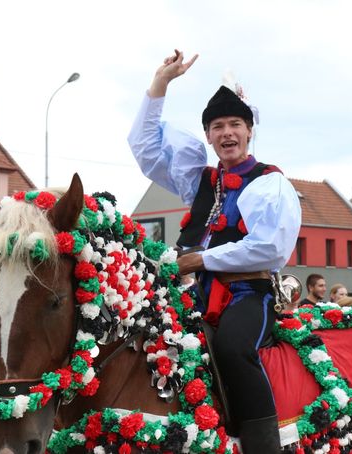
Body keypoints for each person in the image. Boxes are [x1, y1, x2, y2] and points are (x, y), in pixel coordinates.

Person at [128, 50, 302, 451]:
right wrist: (160, 85)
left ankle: (262, 445)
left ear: (249, 130)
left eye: (235, 124)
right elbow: (147, 150)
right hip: (194, 291)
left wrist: (200, 259)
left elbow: (269, 249)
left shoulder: (269, 183)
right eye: (218, 126)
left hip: (247, 294)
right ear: (207, 135)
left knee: (233, 348)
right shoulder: (200, 181)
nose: (227, 132)